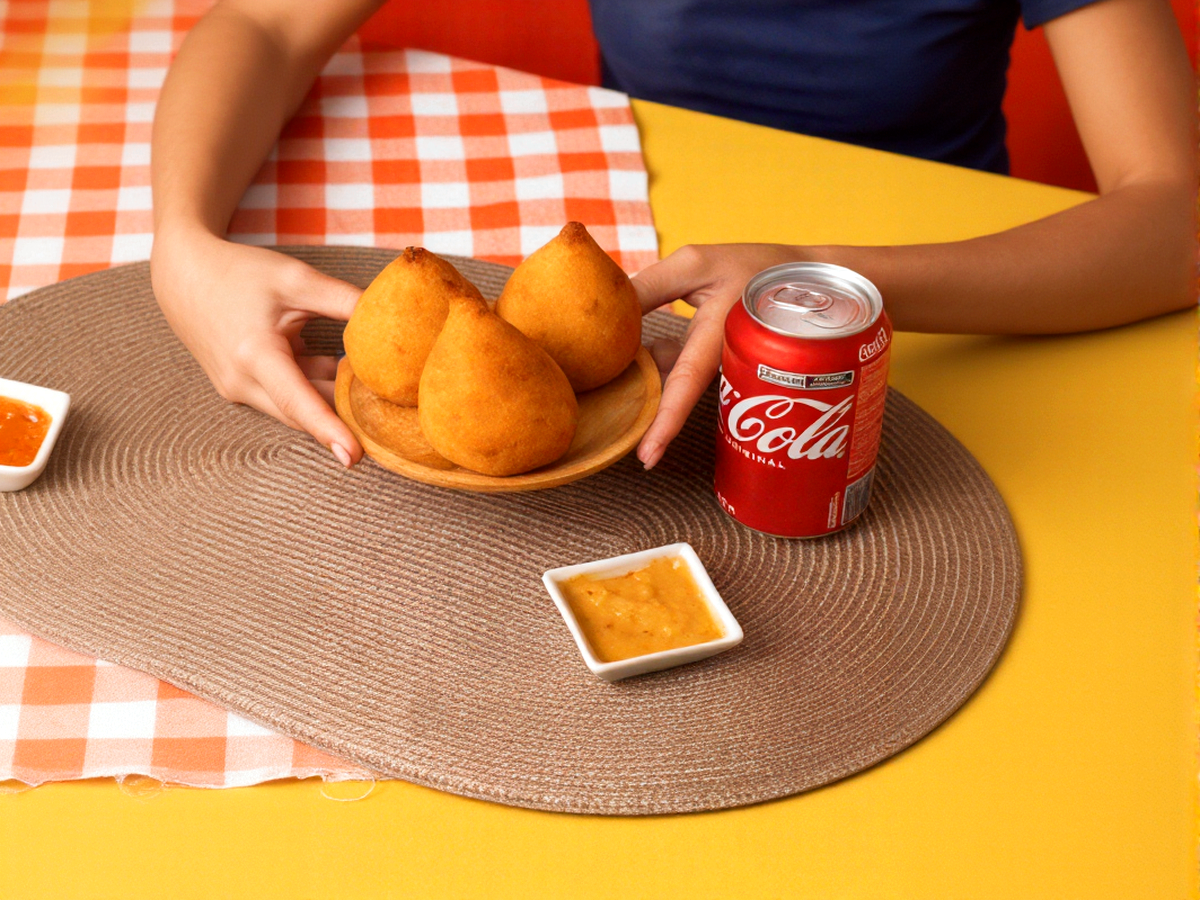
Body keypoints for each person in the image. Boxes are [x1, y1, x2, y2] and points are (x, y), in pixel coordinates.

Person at [149, 0, 1196, 471]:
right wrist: (182, 246)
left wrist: (819, 285)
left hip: (952, 315)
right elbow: (264, 22)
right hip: (647, 299)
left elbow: (1179, 218)